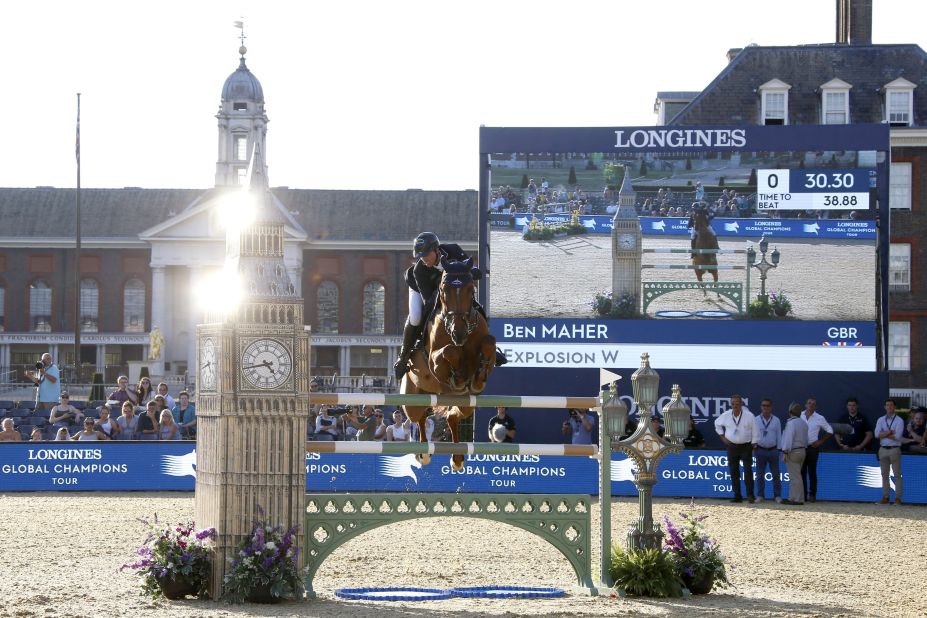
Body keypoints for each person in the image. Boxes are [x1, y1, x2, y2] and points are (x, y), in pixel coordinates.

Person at [393, 232, 505, 380]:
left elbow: (467, 265)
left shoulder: (453, 250)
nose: (424, 259)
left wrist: (473, 271)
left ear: (436, 250)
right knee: (416, 317)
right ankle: (404, 355)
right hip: (422, 290)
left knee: (471, 305)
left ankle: (490, 346)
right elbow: (429, 300)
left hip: (451, 291)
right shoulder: (419, 271)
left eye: (427, 254)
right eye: (421, 256)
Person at [714, 394, 756, 503]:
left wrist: (753, 444)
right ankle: (737, 496)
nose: (735, 405)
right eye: (733, 403)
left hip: (746, 447)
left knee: (748, 472)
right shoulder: (726, 415)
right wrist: (722, 437)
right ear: (731, 404)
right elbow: (716, 424)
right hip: (731, 447)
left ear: (741, 404)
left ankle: (750, 496)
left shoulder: (749, 416)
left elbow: (756, 431)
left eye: (737, 403)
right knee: (734, 472)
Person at [800, 397, 833, 503]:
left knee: (812, 472)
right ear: (805, 405)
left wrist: (820, 441)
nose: (811, 405)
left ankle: (812, 495)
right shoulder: (799, 415)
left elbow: (830, 430)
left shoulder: (819, 418)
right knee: (801, 472)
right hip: (801, 448)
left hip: (812, 448)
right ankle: (803, 495)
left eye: (813, 404)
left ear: (816, 406)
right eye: (809, 403)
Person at [874, 399, 904, 505]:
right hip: (883, 449)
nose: (889, 407)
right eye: (887, 405)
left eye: (891, 405)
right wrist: (890, 432)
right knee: (884, 475)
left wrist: (884, 433)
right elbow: (877, 434)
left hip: (894, 449)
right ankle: (885, 497)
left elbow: (898, 436)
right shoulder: (880, 420)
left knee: (897, 475)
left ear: (894, 407)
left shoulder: (899, 420)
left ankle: (898, 499)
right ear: (885, 407)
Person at [779, 402, 809, 505]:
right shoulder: (803, 423)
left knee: (795, 476)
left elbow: (788, 438)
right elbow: (806, 439)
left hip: (793, 451)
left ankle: (798, 499)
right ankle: (792, 497)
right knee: (796, 475)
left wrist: (785, 452)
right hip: (802, 450)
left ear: (790, 412)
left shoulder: (791, 423)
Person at [753, 398, 782, 503]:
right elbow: (753, 434)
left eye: (768, 405)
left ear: (771, 407)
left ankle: (777, 496)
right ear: (761, 407)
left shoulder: (776, 420)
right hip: (760, 450)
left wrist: (779, 450)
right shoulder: (756, 419)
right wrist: (753, 446)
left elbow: (779, 435)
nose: (766, 407)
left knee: (776, 474)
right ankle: (760, 495)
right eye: (764, 405)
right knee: (760, 475)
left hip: (773, 450)